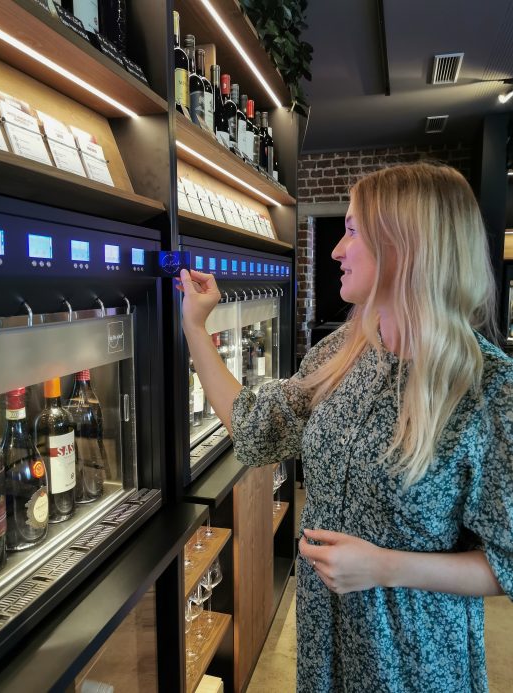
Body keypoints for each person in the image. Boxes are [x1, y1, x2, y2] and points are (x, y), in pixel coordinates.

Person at [178, 162, 513, 693]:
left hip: (414, 664)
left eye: (353, 231)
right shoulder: (340, 353)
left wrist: (384, 567)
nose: (336, 250)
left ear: (406, 246)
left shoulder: (490, 389)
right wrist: (196, 326)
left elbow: (507, 563)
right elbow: (254, 424)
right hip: (324, 647)